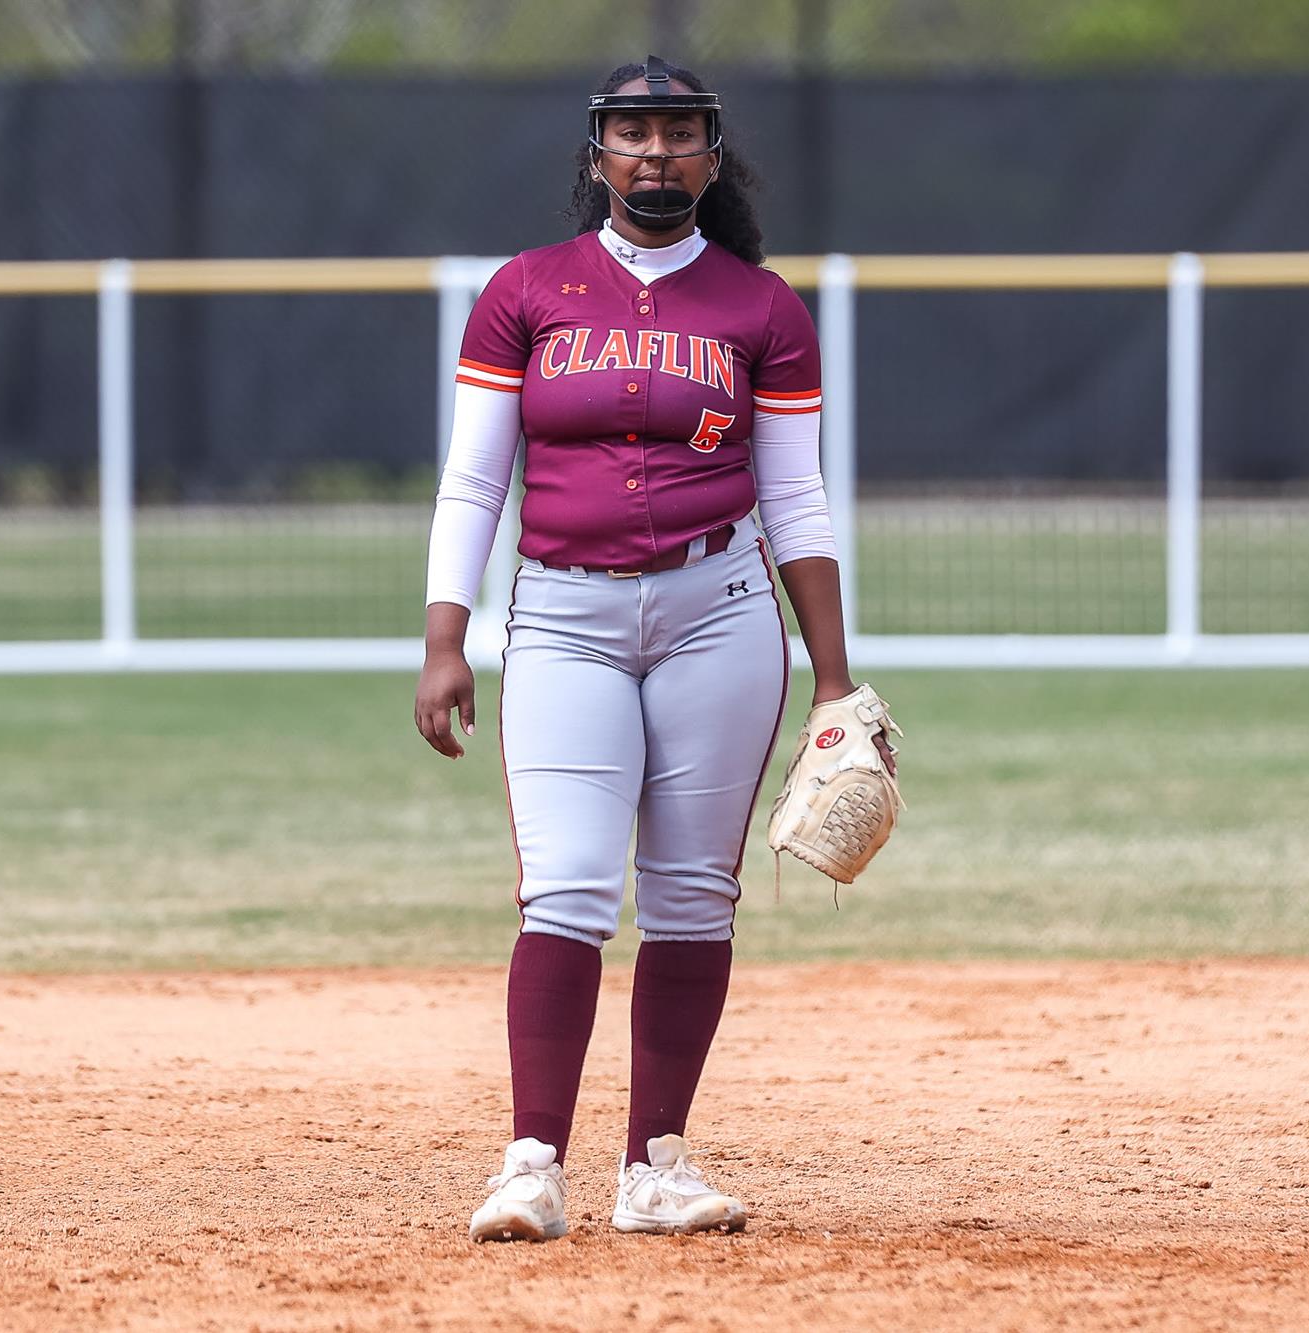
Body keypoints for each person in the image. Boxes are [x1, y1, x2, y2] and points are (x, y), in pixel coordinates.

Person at [413, 56, 888, 1242]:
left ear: (711, 159)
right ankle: (530, 1162)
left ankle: (655, 1165)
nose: (655, 153)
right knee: (566, 887)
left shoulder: (759, 307)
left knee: (688, 897)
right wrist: (444, 637)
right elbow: (473, 480)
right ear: (595, 156)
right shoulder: (524, 291)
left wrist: (833, 677)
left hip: (719, 613)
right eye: (631, 133)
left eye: (678, 133)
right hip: (563, 615)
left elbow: (796, 497)